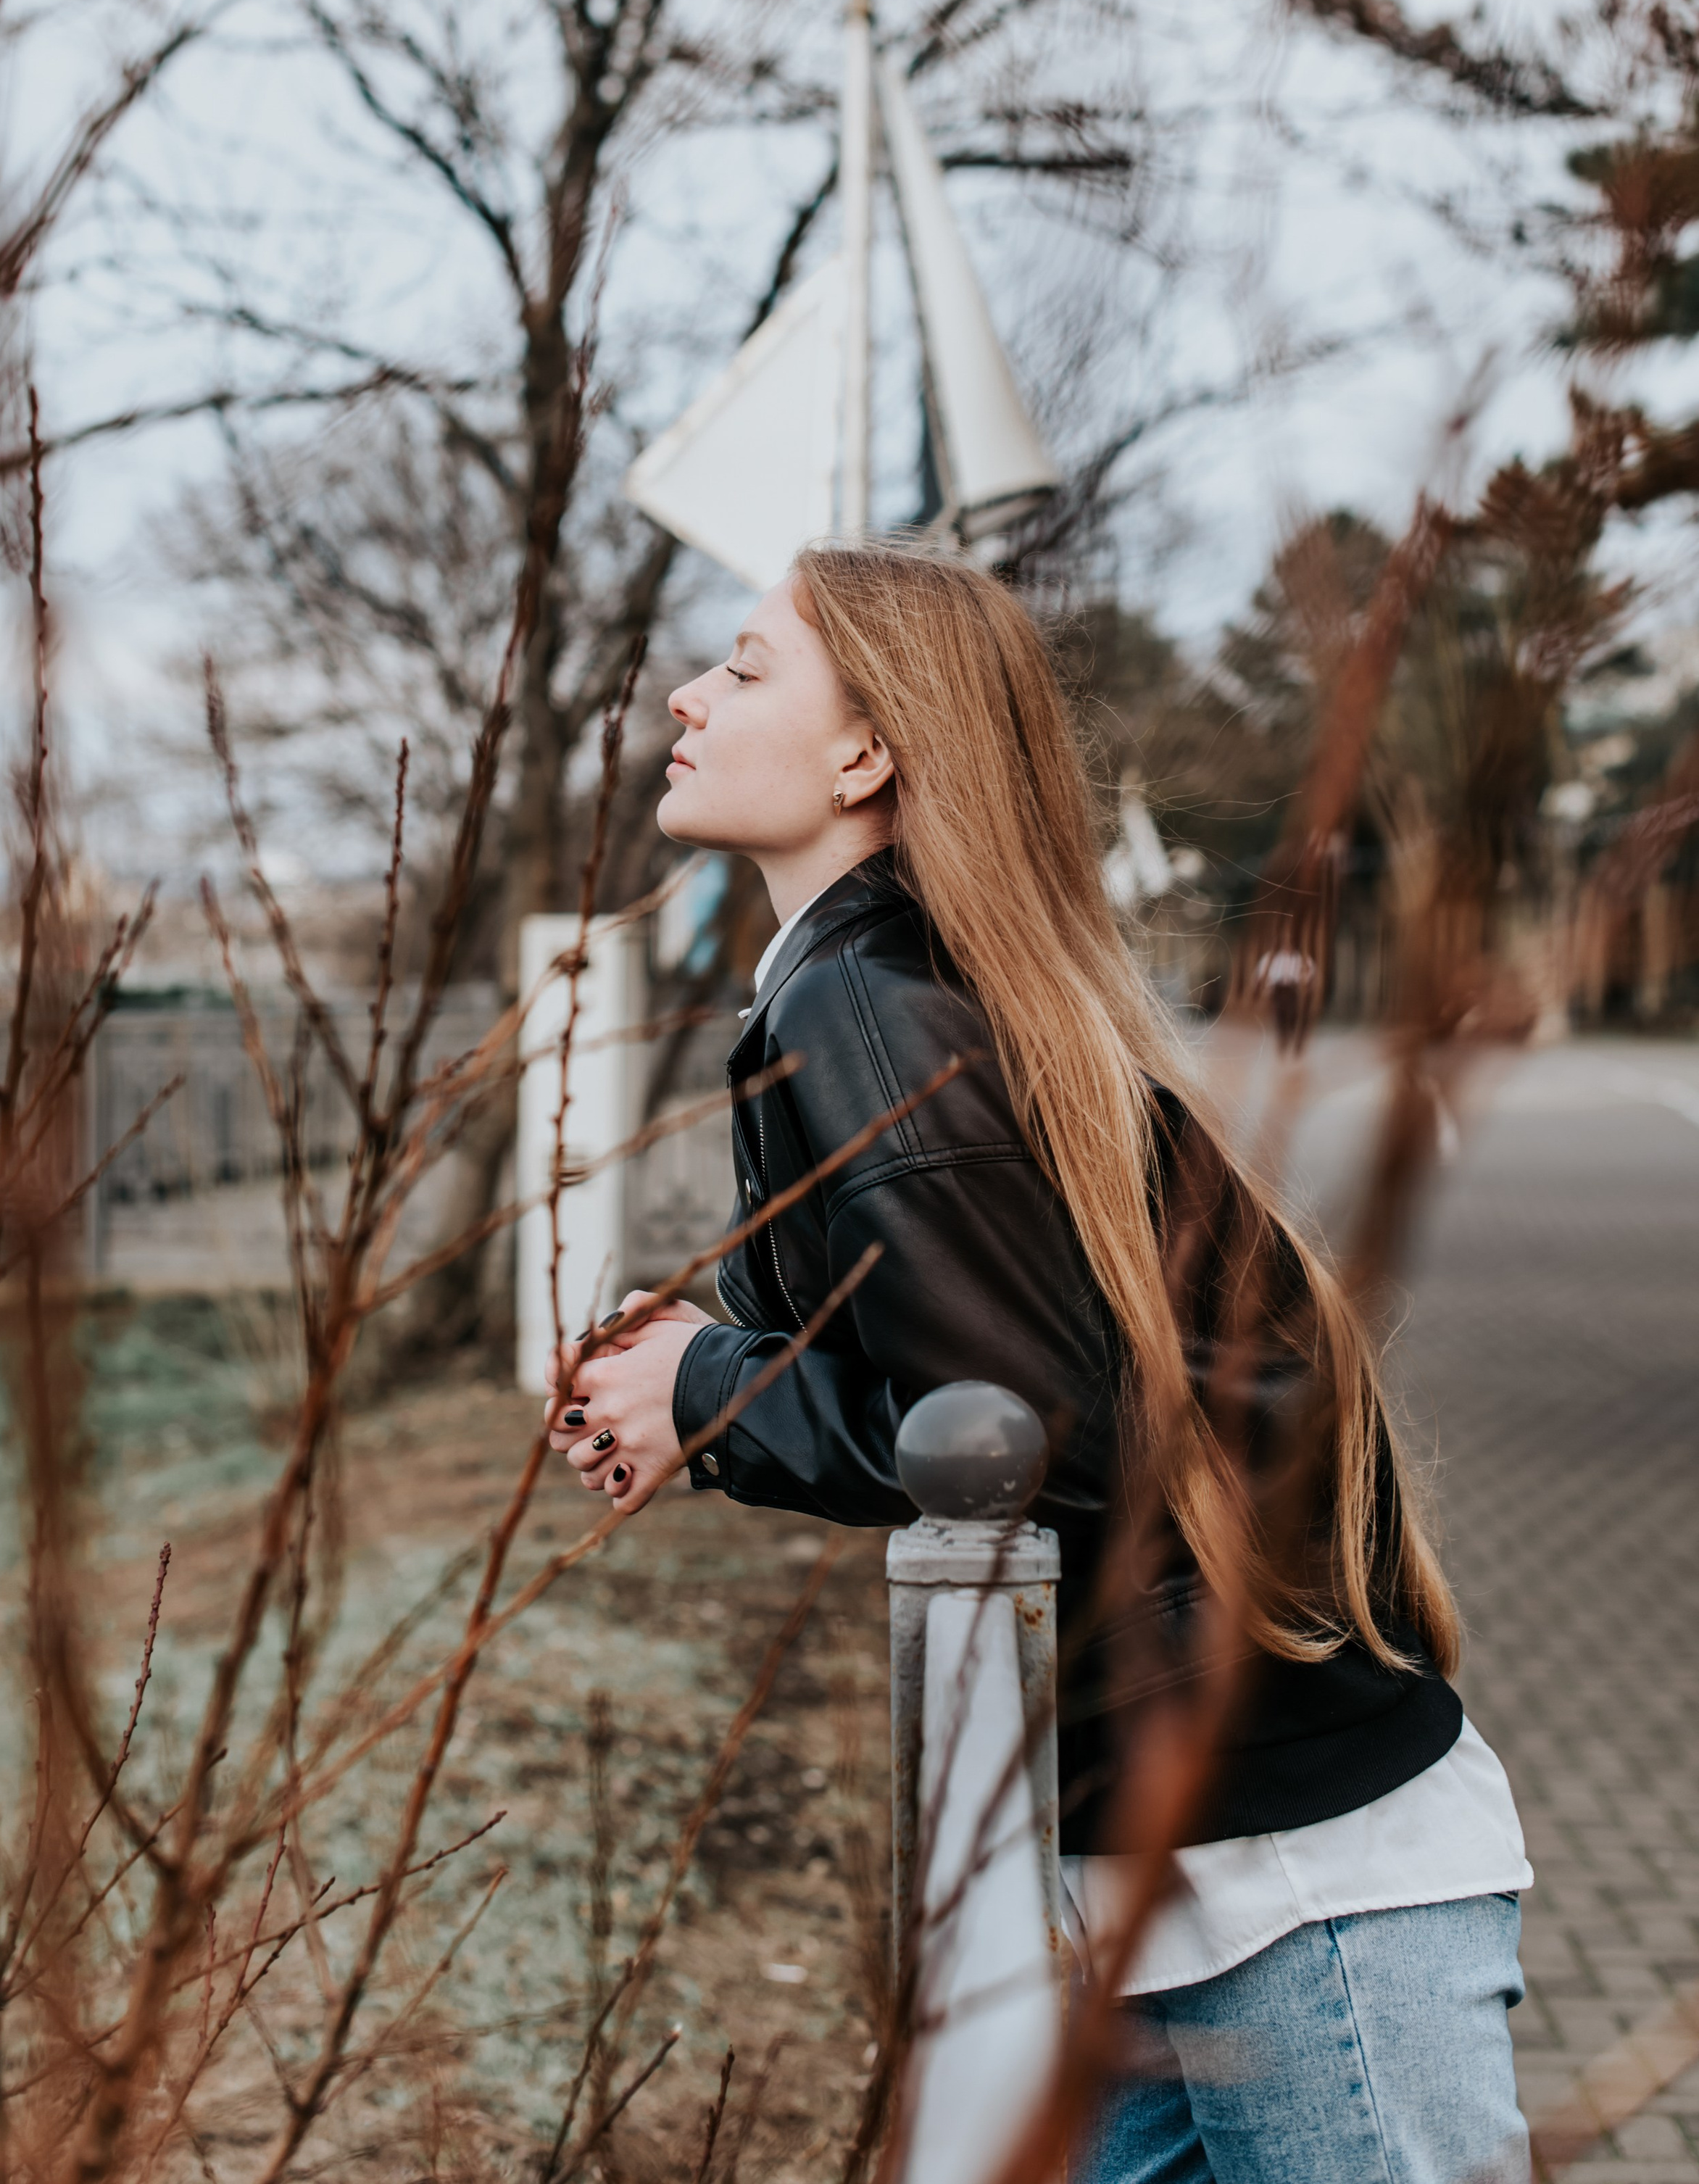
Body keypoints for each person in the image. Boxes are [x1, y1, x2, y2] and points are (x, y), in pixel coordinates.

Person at [544, 543, 1531, 2184]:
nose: (684, 694)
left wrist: (716, 1390)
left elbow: (1033, 1439)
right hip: (1161, 1865)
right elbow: (997, 1368)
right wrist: (706, 1379)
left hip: (1286, 1884)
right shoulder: (901, 984)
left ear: (864, 753)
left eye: (739, 665)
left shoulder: (865, 1000)